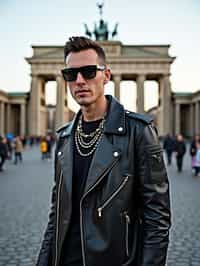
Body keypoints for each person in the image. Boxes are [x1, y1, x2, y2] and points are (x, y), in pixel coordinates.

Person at [37, 36, 171, 266]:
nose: (79, 81)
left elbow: (156, 218)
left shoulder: (138, 132)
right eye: (71, 74)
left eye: (89, 72)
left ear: (106, 75)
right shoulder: (64, 137)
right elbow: (57, 213)